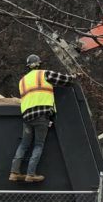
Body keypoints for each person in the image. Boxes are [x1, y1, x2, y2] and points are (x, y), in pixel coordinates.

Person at [9, 54, 75, 183]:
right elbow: (66, 80)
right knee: (38, 145)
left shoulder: (22, 81)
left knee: (24, 145)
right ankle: (30, 174)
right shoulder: (44, 74)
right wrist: (75, 77)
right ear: (39, 64)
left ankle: (14, 172)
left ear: (28, 67)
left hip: (27, 117)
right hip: (41, 115)